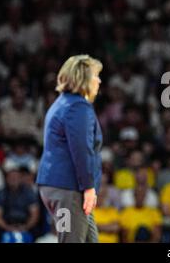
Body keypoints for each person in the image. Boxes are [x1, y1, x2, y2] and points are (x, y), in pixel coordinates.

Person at [36, 55, 103, 243]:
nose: (99, 80)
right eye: (95, 76)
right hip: (68, 190)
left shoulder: (62, 103)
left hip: (60, 190)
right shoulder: (77, 108)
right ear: (82, 78)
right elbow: (82, 151)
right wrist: (89, 187)